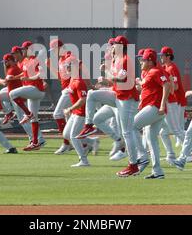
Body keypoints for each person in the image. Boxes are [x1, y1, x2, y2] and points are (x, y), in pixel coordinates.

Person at [79, 35, 149, 177]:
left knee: (127, 133)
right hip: (118, 96)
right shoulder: (117, 60)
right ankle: (88, 125)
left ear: (121, 46)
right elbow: (114, 82)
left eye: (115, 44)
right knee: (92, 94)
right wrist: (107, 73)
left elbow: (121, 78)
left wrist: (107, 75)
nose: (112, 47)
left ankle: (133, 165)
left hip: (127, 100)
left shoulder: (126, 59)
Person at [158, 46, 192, 164]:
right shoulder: (166, 68)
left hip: (176, 102)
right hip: (171, 101)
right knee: (164, 132)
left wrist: (162, 86)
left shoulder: (171, 68)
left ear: (168, 56)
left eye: (163, 55)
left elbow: (174, 87)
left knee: (177, 131)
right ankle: (171, 155)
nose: (161, 57)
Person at [134, 49, 170, 179]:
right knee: (151, 140)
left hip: (155, 108)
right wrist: (140, 84)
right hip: (153, 108)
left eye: (143, 59)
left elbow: (167, 85)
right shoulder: (151, 72)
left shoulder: (155, 71)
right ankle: (158, 171)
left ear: (150, 61)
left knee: (131, 126)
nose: (141, 62)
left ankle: (142, 156)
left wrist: (161, 104)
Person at [0, 53, 45, 147]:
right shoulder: (16, 66)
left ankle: (37, 139)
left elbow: (4, 82)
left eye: (5, 62)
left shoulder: (14, 68)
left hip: (19, 97)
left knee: (24, 120)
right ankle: (9, 113)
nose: (4, 64)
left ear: (9, 61)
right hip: (16, 94)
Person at [62, 55, 99, 167]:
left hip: (81, 113)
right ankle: (92, 142)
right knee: (66, 134)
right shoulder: (73, 79)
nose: (66, 68)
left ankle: (84, 160)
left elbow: (83, 100)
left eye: (68, 65)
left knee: (73, 136)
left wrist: (70, 108)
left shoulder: (79, 81)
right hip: (75, 112)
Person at [8, 42, 46, 151]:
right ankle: (35, 143)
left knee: (12, 93)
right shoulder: (25, 61)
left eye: (24, 49)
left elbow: (41, 74)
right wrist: (15, 77)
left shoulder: (35, 60)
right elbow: (24, 74)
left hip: (36, 89)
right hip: (31, 90)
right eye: (22, 49)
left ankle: (28, 114)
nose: (23, 51)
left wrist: (30, 79)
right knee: (34, 119)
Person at [48, 39, 75, 155]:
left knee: (57, 114)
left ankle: (66, 144)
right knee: (69, 120)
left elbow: (76, 73)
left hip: (70, 89)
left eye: (54, 49)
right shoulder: (61, 59)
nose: (53, 52)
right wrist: (49, 66)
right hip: (66, 89)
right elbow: (61, 77)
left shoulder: (69, 56)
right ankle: (88, 143)